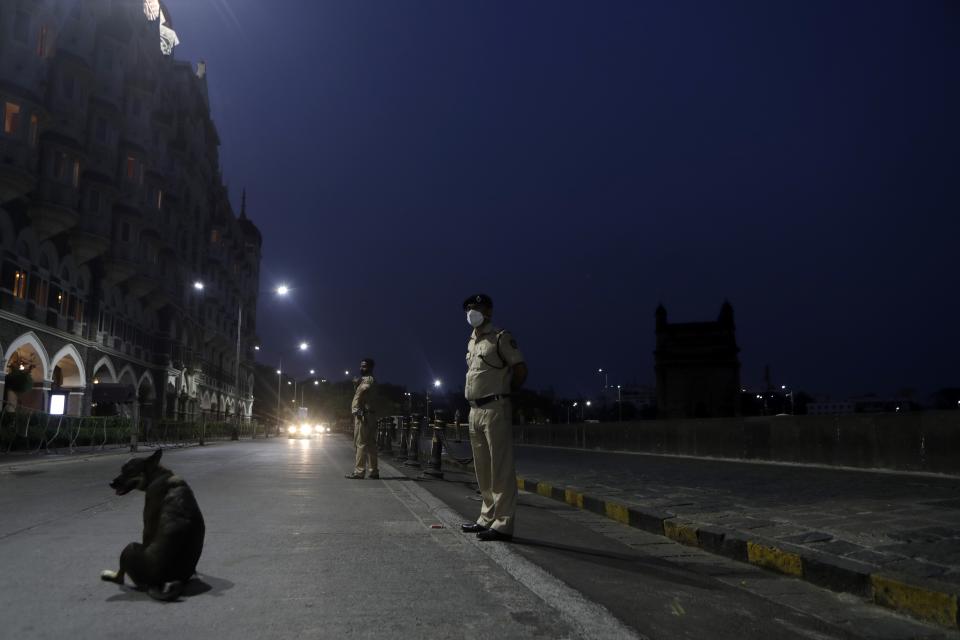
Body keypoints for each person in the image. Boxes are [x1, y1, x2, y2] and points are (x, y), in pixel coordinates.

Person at [460, 294, 527, 541]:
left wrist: (506, 393)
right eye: (468, 308)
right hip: (474, 410)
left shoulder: (501, 337)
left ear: (488, 310)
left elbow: (520, 369)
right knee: (483, 469)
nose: (471, 312)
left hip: (495, 408)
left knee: (500, 468)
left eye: (475, 307)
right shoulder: (472, 342)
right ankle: (486, 517)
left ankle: (503, 523)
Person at [345, 358, 378, 479]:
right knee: (371, 444)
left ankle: (359, 471)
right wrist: (356, 385)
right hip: (371, 414)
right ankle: (374, 471)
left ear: (370, 367)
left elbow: (360, 395)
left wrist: (356, 410)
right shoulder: (371, 380)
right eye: (361, 366)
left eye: (364, 366)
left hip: (363, 415)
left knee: (361, 444)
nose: (361, 368)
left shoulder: (367, 380)